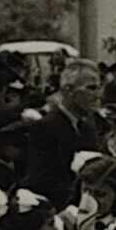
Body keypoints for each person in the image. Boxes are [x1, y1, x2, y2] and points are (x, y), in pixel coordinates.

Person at [24, 59, 107, 206]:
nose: (98, 95)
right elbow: (42, 179)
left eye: (99, 88)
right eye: (91, 88)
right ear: (68, 91)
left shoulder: (88, 127)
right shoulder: (45, 127)